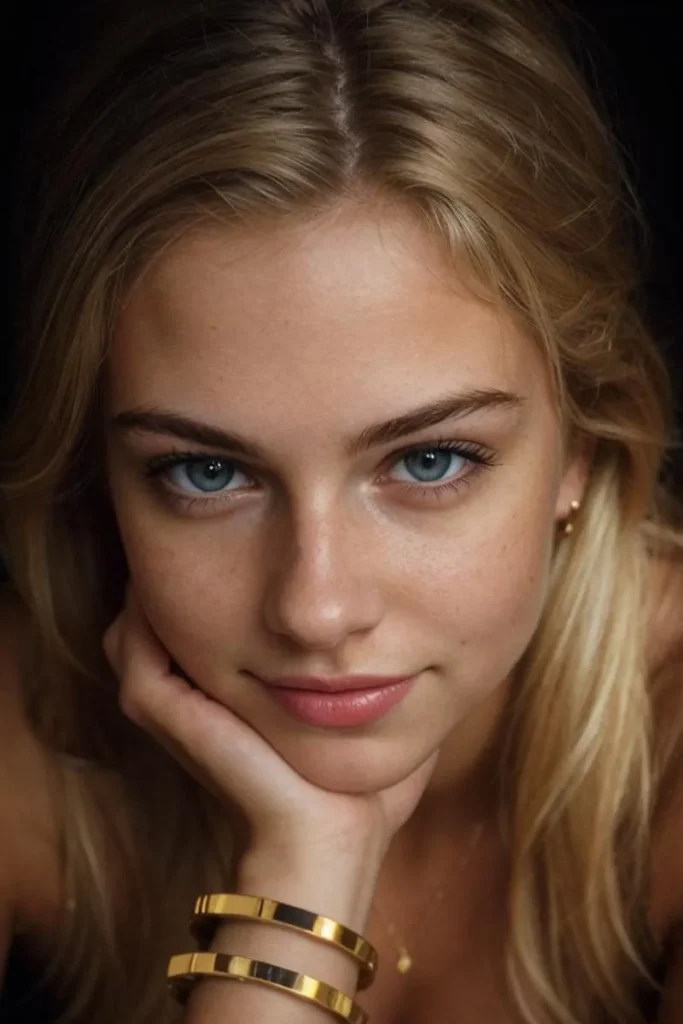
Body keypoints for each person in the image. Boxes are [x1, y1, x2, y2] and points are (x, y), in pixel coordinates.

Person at [0, 0, 681, 1021]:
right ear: (99, 463)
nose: (314, 608)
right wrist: (297, 881)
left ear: (582, 444)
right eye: (205, 473)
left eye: (431, 458)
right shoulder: (33, 731)